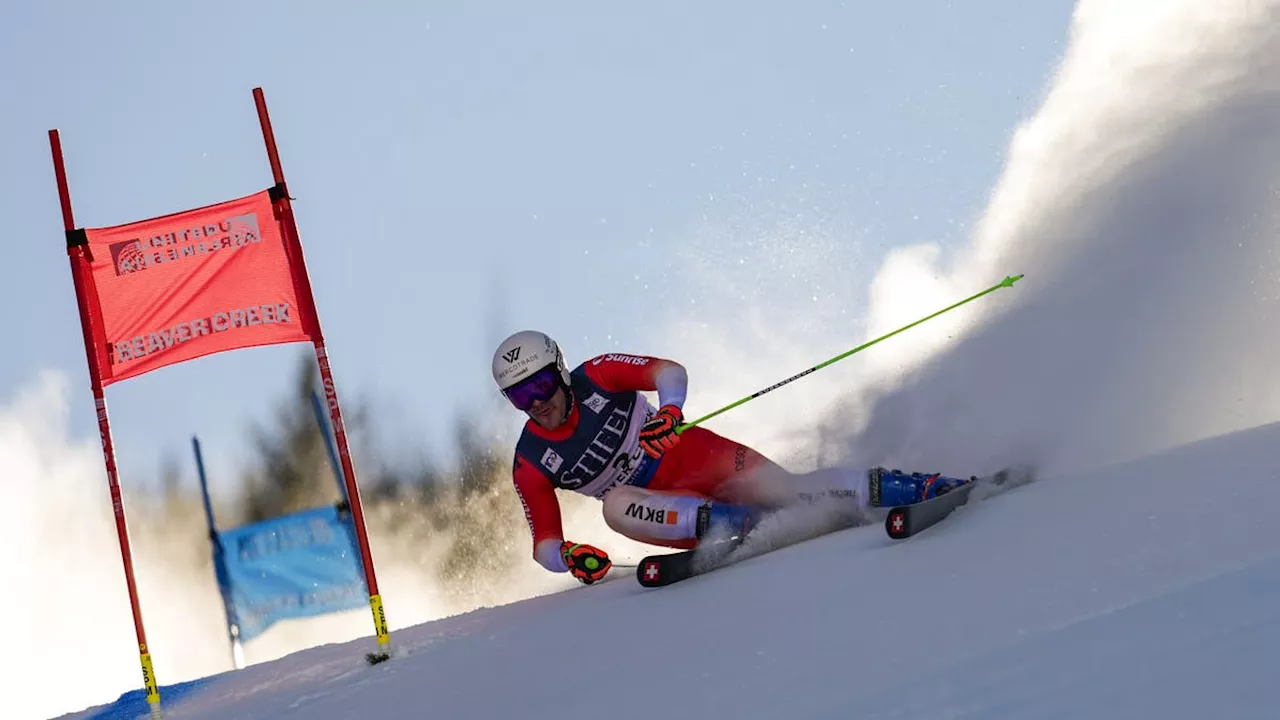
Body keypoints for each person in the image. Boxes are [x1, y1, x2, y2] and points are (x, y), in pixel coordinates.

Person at [491, 329, 970, 584]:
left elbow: (669, 371)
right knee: (614, 507)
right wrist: (570, 556)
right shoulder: (531, 460)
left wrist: (670, 411)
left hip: (698, 456)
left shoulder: (596, 374)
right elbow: (543, 545)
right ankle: (741, 526)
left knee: (792, 491)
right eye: (519, 396)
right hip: (664, 510)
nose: (536, 402)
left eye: (540, 384)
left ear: (558, 370)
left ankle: (922, 488)